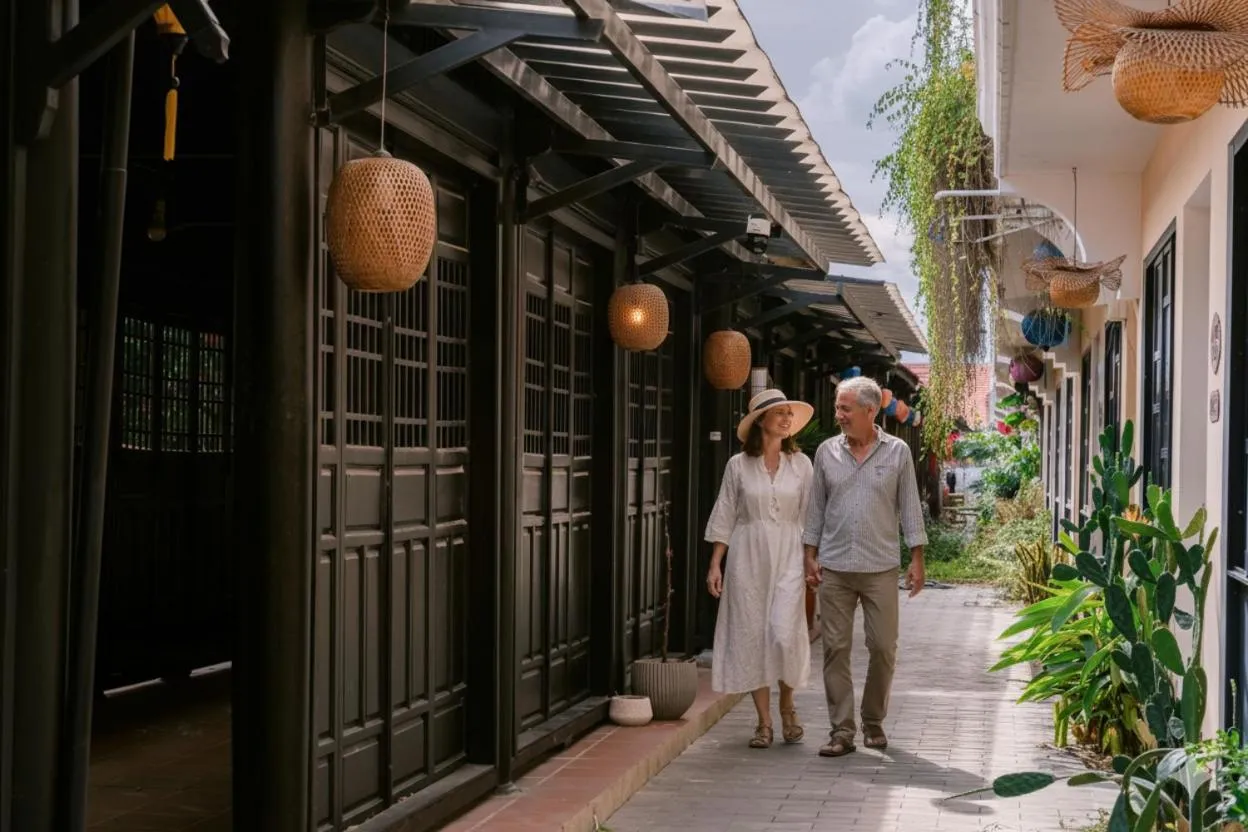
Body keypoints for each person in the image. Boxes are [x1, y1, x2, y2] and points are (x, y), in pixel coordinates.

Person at [802, 377, 927, 758]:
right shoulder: (826, 452)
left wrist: (917, 558)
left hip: (880, 568)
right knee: (835, 649)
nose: (838, 415)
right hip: (836, 567)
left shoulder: (898, 452)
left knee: (884, 648)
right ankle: (842, 730)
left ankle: (873, 720)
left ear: (870, 412)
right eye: (838, 407)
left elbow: (909, 505)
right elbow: (816, 507)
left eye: (845, 408)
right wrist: (809, 552)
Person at [705, 389, 815, 749]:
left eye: (788, 414)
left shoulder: (801, 464)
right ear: (760, 422)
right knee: (752, 634)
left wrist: (812, 558)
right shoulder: (738, 465)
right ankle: (764, 723)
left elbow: (811, 516)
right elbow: (725, 513)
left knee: (784, 633)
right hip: (747, 555)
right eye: (778, 413)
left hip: (788, 554)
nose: (786, 419)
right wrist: (715, 563)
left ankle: (787, 706)